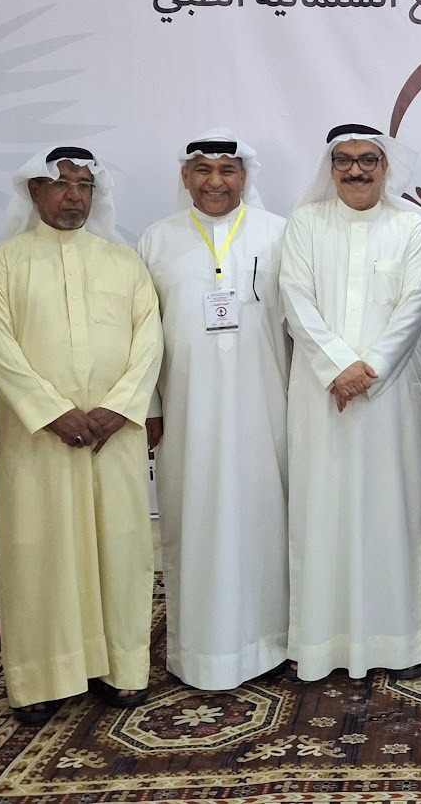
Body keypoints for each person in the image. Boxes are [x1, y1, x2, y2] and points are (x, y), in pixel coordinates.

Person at [0, 146, 162, 723]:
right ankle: (42, 678)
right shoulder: (2, 263)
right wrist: (52, 411)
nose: (73, 195)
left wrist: (119, 407)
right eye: (61, 184)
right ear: (34, 191)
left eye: (84, 185)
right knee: (40, 550)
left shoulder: (124, 262)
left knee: (121, 547)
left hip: (113, 435)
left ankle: (122, 668)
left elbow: (149, 339)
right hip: (38, 438)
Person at [279, 123, 421, 681]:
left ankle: (395, 644)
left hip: (387, 400)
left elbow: (416, 306)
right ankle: (317, 645)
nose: (355, 170)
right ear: (330, 168)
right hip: (321, 396)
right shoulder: (305, 223)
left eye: (367, 159)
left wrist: (365, 373)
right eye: (344, 160)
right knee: (319, 514)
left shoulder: (412, 226)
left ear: (384, 166)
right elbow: (295, 299)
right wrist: (337, 369)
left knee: (389, 514)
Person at [138, 128, 290, 689]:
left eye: (227, 170)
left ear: (245, 176)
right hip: (187, 418)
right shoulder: (156, 240)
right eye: (202, 169)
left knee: (265, 521)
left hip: (266, 412)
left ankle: (271, 643)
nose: (215, 181)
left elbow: (300, 329)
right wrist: (151, 405)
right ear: (185, 177)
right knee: (194, 523)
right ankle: (201, 653)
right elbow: (142, 335)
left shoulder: (279, 234)